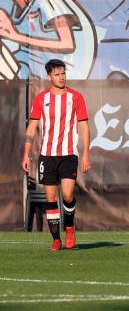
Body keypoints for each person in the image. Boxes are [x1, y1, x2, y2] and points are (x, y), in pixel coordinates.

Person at [22, 59, 91, 251]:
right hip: (47, 155)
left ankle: (69, 228)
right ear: (49, 76)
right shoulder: (41, 98)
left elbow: (84, 126)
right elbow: (32, 127)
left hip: (69, 154)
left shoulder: (75, 97)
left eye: (63, 73)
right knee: (51, 198)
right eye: (57, 74)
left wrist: (86, 153)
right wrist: (26, 154)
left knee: (68, 194)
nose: (61, 77)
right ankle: (56, 239)